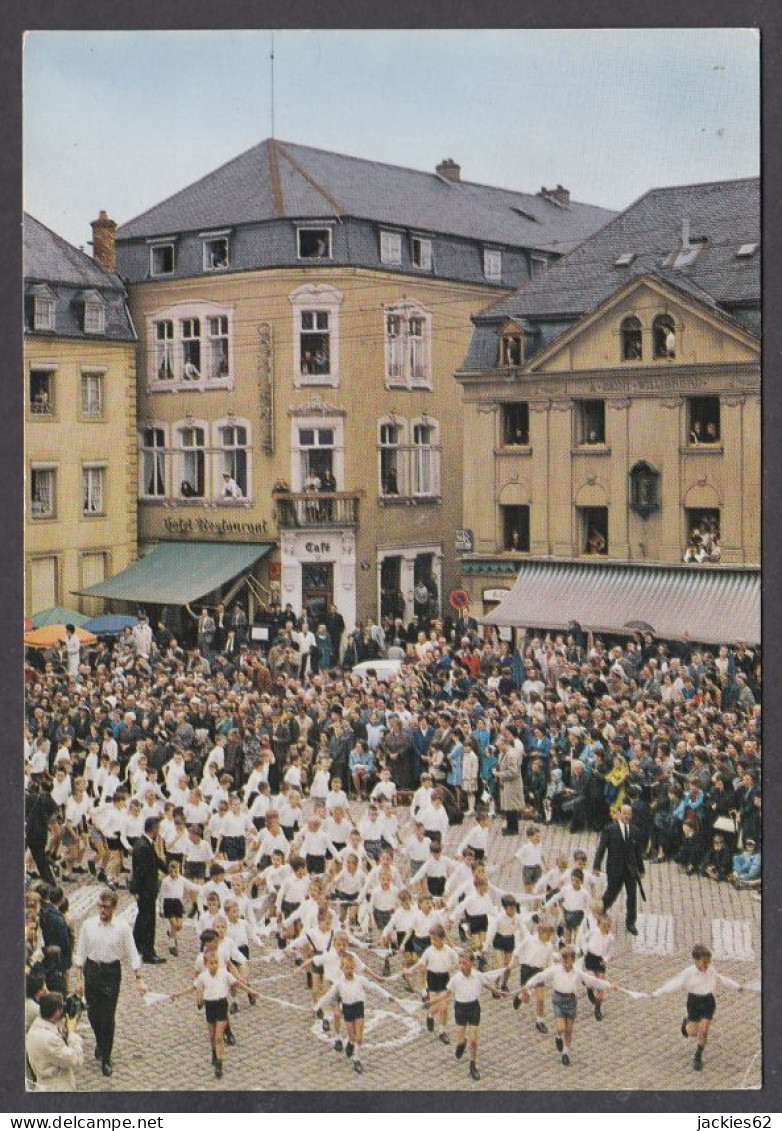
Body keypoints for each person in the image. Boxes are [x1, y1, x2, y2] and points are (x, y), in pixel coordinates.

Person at [72, 890, 146, 1076]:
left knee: (108, 1016)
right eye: (101, 906)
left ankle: (106, 1056)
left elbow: (132, 953)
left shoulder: (122, 928)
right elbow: (80, 953)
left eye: (106, 907)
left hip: (111, 972)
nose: (103, 910)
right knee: (93, 1015)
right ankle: (100, 1041)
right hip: (92, 971)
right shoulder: (88, 925)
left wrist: (139, 979)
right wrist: (79, 979)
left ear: (114, 908)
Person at [652, 944, 744, 1071]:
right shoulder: (688, 973)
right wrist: (657, 993)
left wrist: (736, 986)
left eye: (708, 962)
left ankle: (698, 1055)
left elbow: (723, 978)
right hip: (694, 1002)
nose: (706, 966)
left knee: (704, 1030)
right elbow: (674, 983)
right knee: (692, 1032)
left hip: (708, 1002)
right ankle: (685, 1026)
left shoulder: (711, 970)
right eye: (704, 962)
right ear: (696, 960)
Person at [593, 803, 645, 935]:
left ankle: (631, 922)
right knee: (612, 892)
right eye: (624, 813)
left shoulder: (635, 831)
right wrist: (597, 865)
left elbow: (638, 852)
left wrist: (641, 868)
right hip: (615, 868)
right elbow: (601, 848)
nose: (627, 816)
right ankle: (601, 910)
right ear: (619, 814)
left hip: (630, 869)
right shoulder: (610, 829)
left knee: (632, 896)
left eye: (629, 814)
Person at [26, 992, 84, 1092]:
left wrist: (65, 1032)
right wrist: (71, 1032)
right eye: (62, 1007)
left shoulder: (36, 1025)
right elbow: (75, 1060)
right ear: (57, 1012)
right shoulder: (50, 1040)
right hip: (57, 1088)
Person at [130, 817, 168, 964]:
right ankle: (148, 953)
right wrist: (137, 891)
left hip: (146, 889)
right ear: (153, 829)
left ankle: (136, 943)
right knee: (148, 921)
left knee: (142, 918)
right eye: (158, 828)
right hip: (145, 890)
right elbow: (140, 872)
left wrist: (167, 869)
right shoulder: (143, 847)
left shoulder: (145, 843)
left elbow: (156, 860)